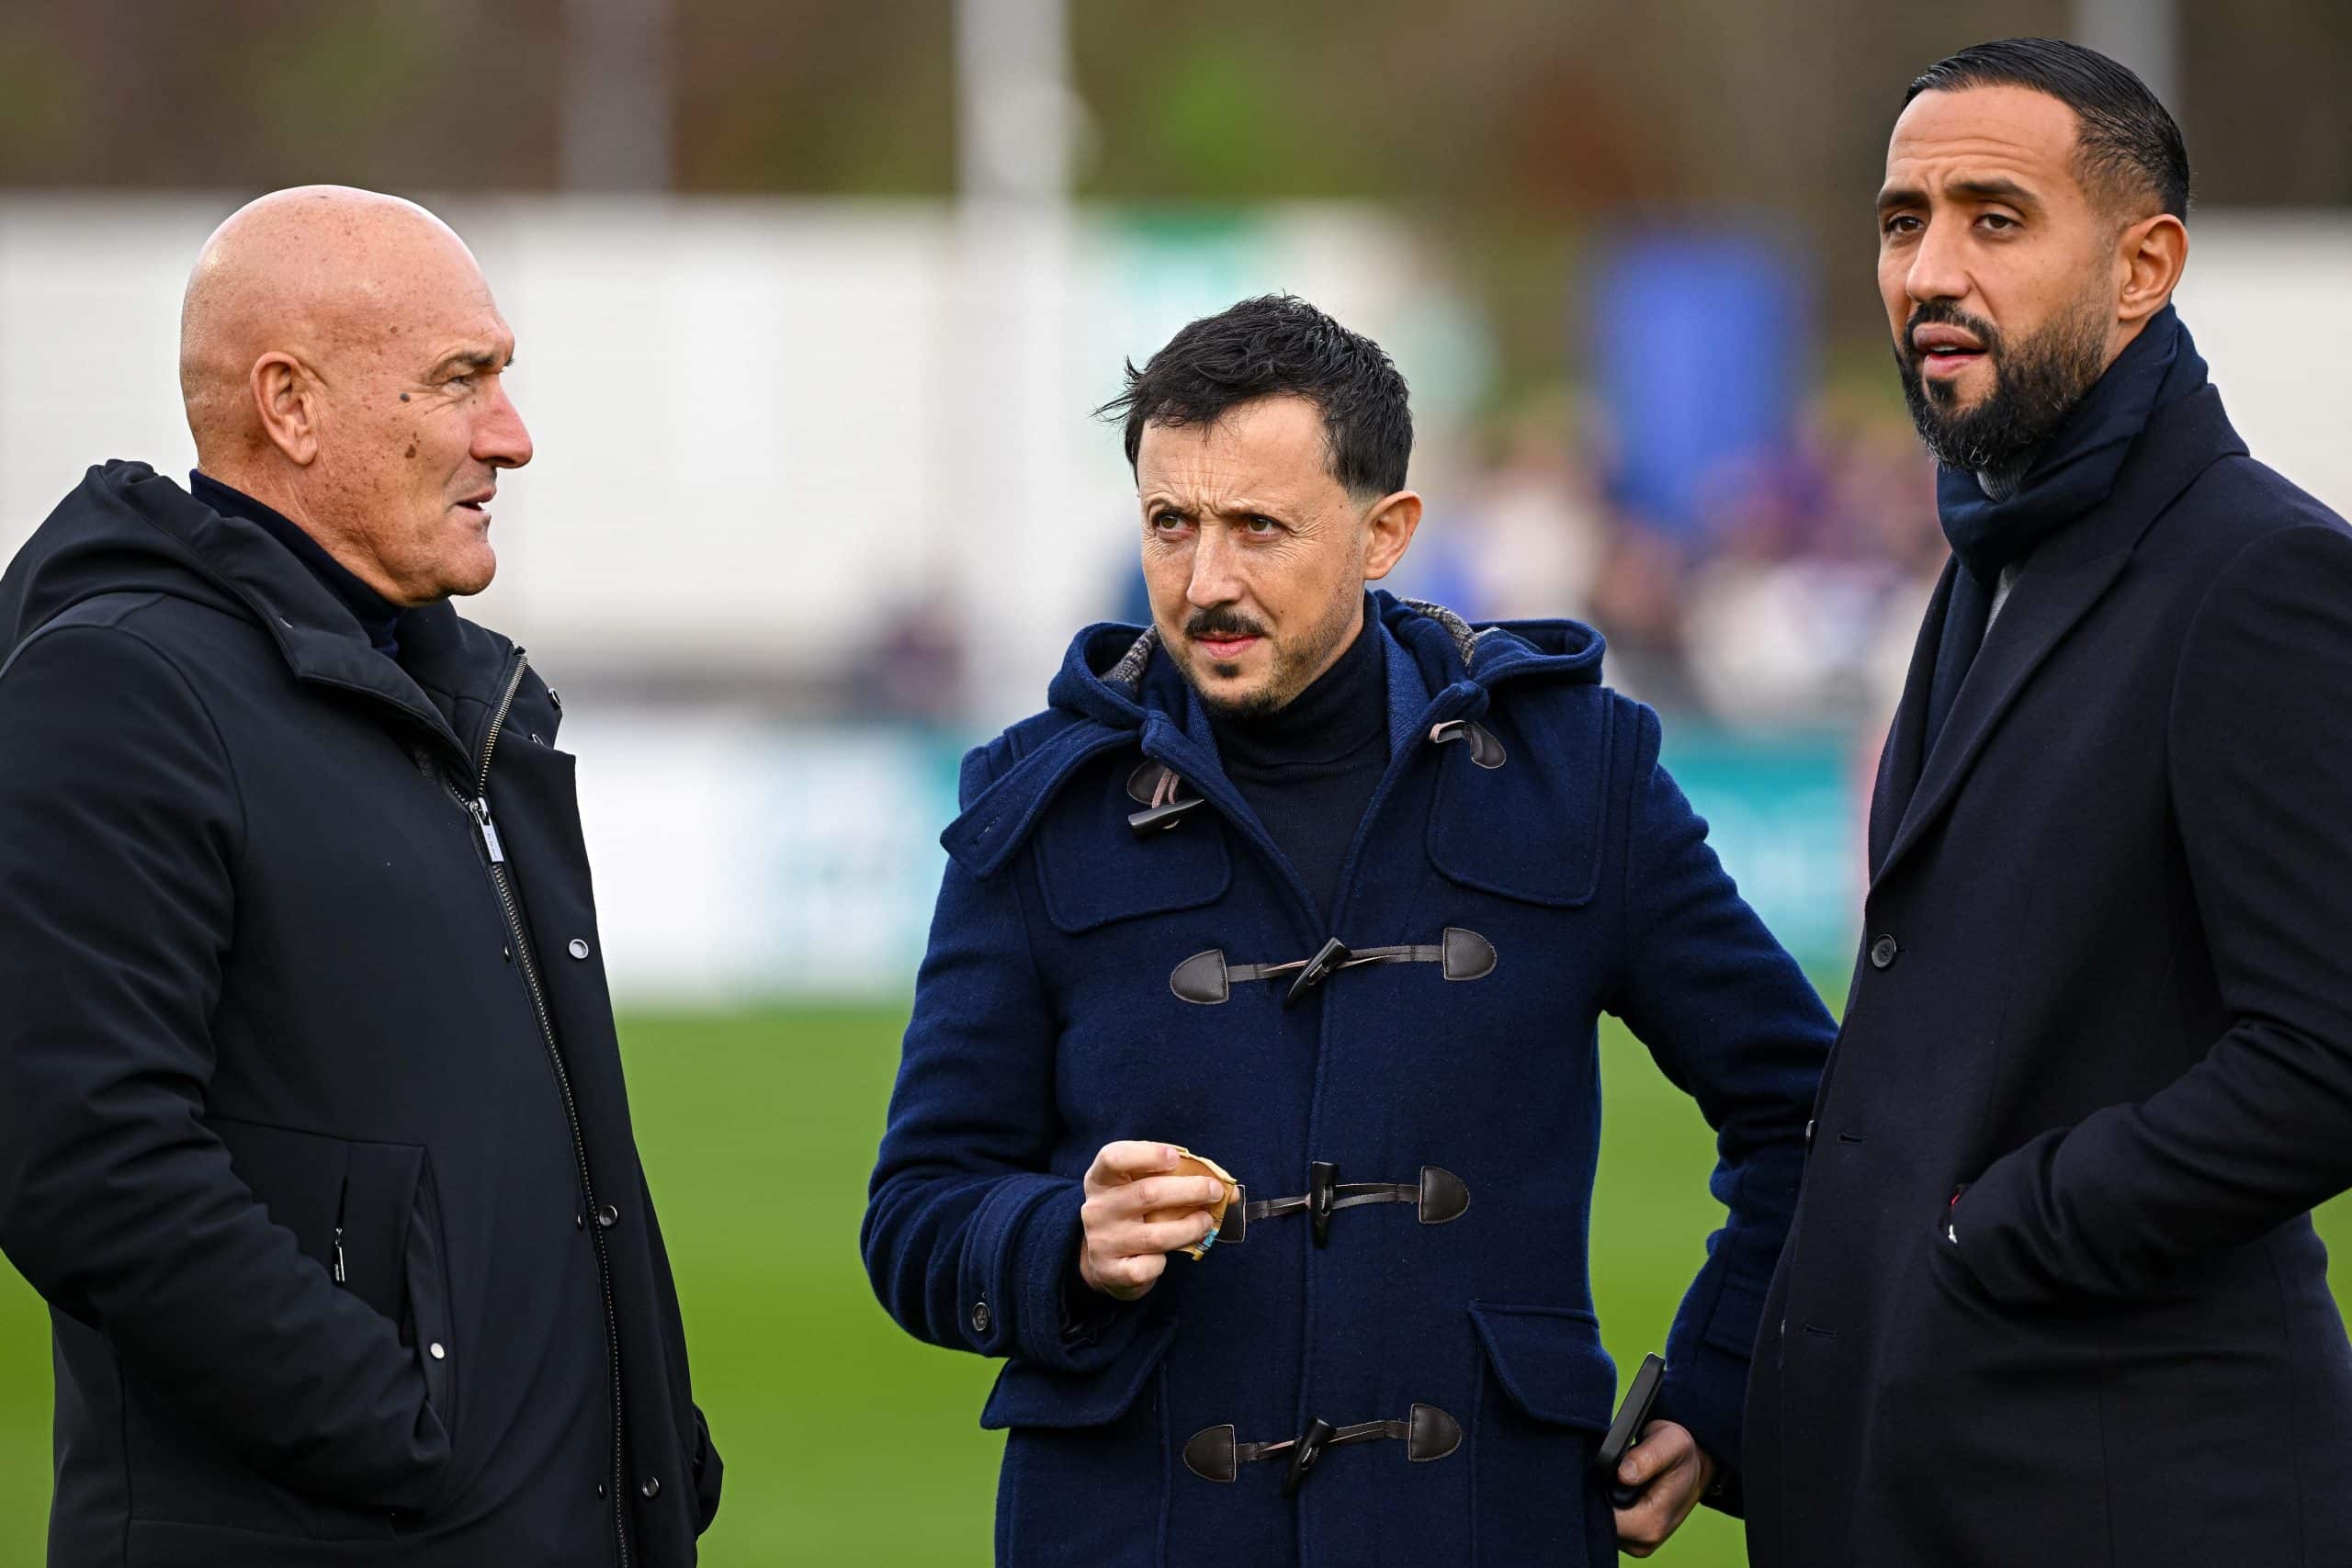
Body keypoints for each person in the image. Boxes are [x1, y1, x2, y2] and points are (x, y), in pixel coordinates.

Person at [863, 294, 1832, 1565]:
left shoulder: (1576, 780)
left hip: (1485, 1527)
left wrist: (1716, 1389)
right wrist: (1061, 1241)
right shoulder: (1034, 809)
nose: (1206, 581)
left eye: (1259, 528)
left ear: (1386, 535)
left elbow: (1811, 1120)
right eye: (1171, 524)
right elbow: (917, 1213)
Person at [0, 187, 719, 1565]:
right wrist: (401, 1437)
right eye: (463, 381)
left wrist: (644, 1444)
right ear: (290, 404)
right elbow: (84, 1158)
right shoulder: (119, 686)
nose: (511, 435)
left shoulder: (470, 701)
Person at [1744, 39, 2352, 1567]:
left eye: (1993, 218)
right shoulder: (1997, 550)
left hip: (2135, 1493)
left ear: (2144, 266)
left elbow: (2328, 1053)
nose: (1929, 268)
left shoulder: (2256, 575)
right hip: (1939, 1478)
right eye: (1901, 221)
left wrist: (1997, 1231)